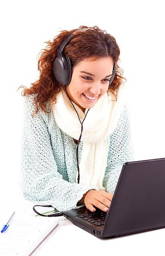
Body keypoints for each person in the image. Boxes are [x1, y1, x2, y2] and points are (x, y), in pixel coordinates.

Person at [21, 25, 133, 214]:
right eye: (87, 78)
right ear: (62, 71)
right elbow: (38, 181)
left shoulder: (115, 108)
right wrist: (84, 193)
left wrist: (124, 196)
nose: (96, 90)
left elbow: (117, 167)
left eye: (105, 80)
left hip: (100, 213)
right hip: (57, 217)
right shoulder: (39, 107)